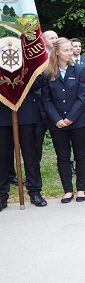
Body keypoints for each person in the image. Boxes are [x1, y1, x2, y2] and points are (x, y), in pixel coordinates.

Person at [41, 37, 85, 203]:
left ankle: (81, 189)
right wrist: (56, 119)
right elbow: (46, 99)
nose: (70, 53)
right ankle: (67, 190)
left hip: (78, 121)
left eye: (71, 50)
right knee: (62, 157)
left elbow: (83, 97)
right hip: (57, 123)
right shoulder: (47, 72)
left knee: (80, 155)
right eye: (66, 50)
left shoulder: (80, 70)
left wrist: (70, 118)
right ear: (57, 52)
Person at [0, 76, 47, 208]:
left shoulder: (29, 55)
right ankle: (2, 195)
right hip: (2, 109)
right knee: (2, 155)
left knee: (30, 154)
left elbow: (38, 84)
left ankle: (35, 191)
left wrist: (20, 77)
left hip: (27, 109)